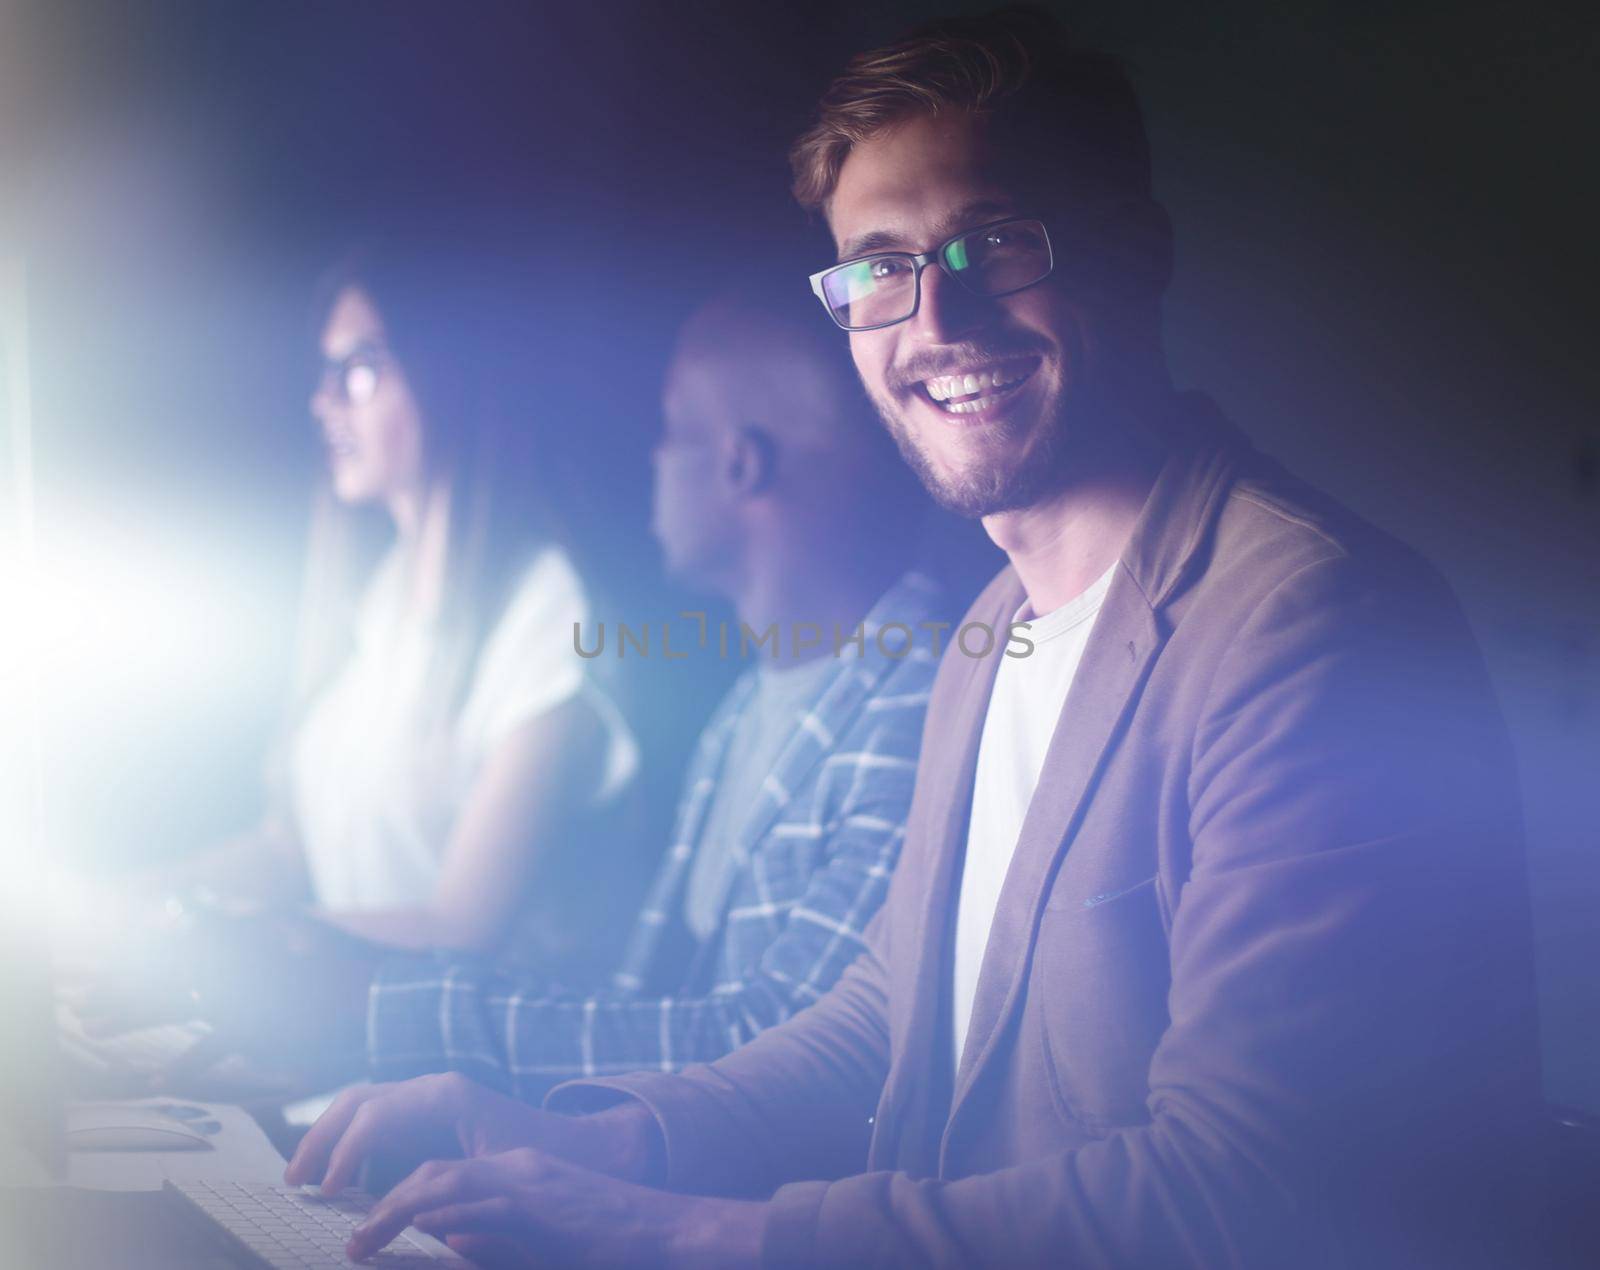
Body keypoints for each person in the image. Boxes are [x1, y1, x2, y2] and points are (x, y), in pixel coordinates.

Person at [287, 12, 1543, 1269]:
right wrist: (576, 1139)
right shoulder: (988, 633)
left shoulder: (1312, 621)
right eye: (878, 267)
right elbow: (885, 1017)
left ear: (1137, 255)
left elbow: (1242, 1190)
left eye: (994, 241)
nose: (934, 315)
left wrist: (689, 1234)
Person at [145, 240, 640, 967]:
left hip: (462, 1068)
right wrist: (125, 904)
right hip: (335, 1047)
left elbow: (461, 926)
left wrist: (221, 944)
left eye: (363, 368)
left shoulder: (549, 609)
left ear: (453, 376)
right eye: (328, 373)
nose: (325, 403)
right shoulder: (377, 602)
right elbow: (291, 848)